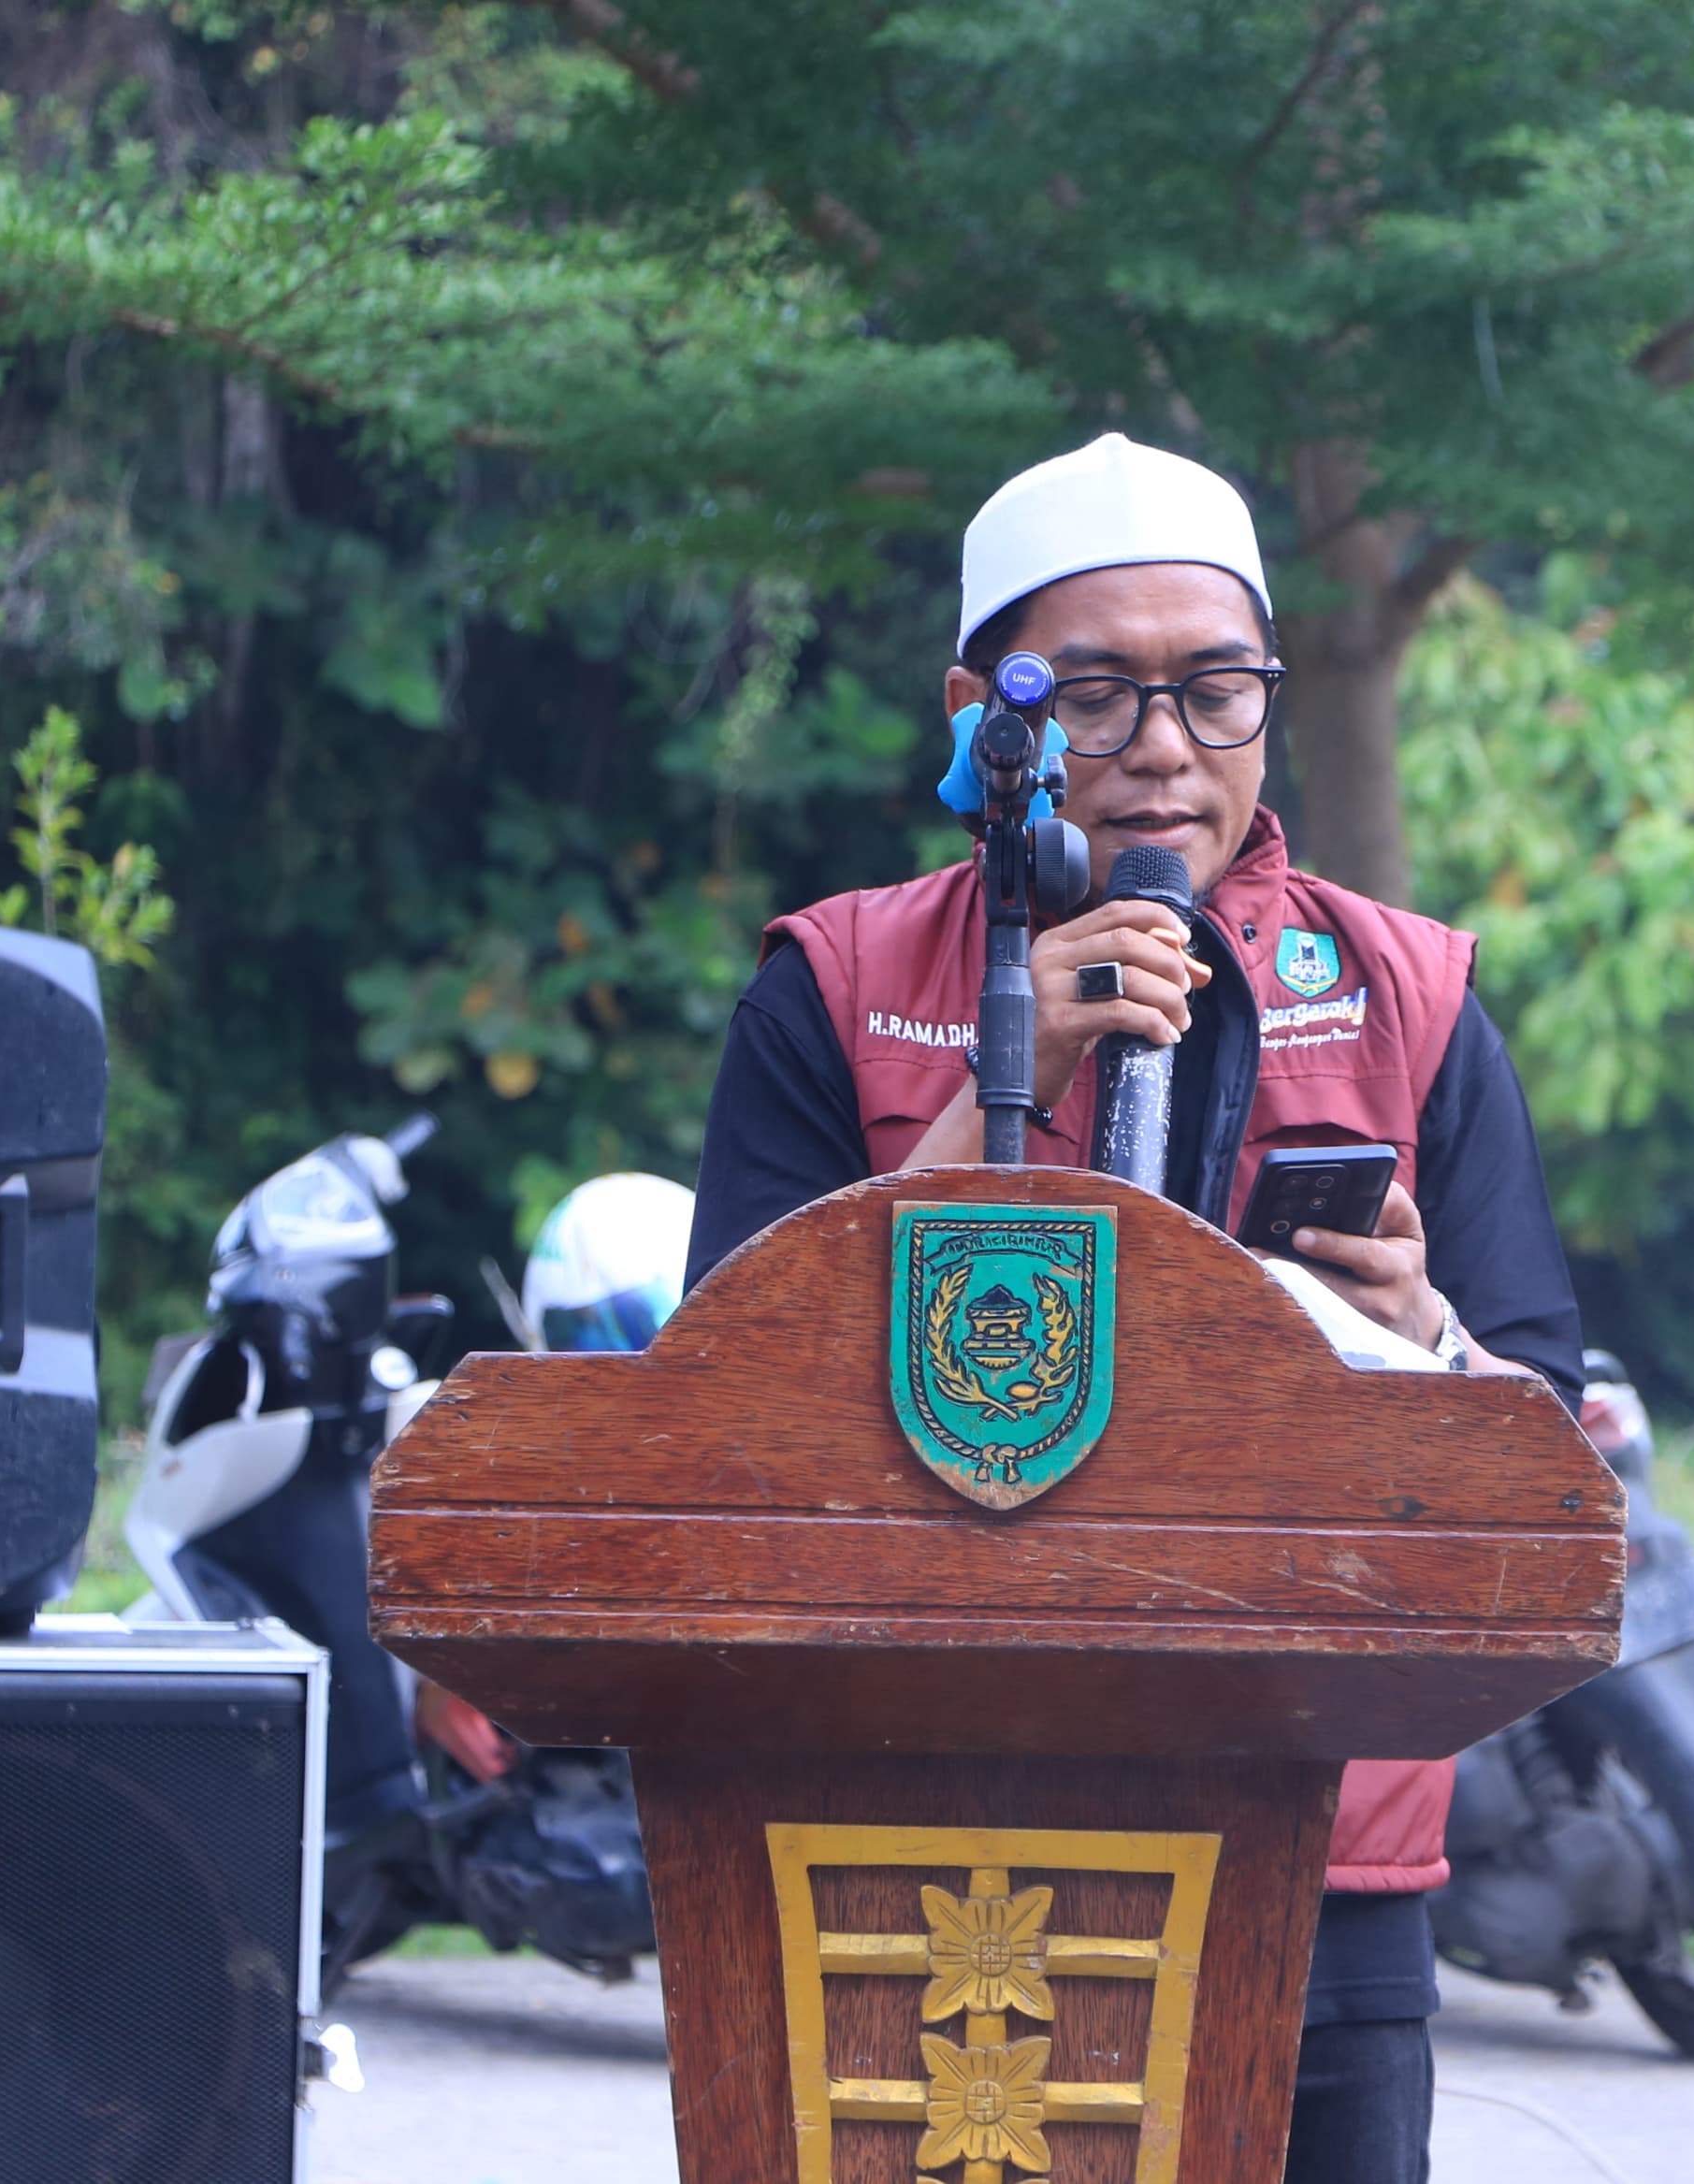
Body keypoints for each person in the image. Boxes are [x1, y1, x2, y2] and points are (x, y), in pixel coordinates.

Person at [685, 432, 1587, 2184]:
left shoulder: (1406, 996)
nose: (1166, 747)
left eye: (1217, 691)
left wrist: (1425, 1338)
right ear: (983, 713)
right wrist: (1000, 1085)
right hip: (900, 1816)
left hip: (1316, 1838)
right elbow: (723, 1417)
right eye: (1096, 697)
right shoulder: (838, 986)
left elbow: (1550, 1452)